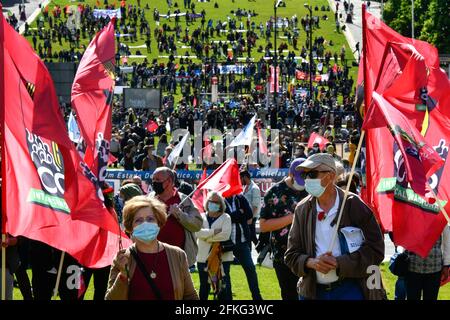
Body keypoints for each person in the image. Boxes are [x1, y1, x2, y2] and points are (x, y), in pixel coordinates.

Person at [284, 153, 386, 300]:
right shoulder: (302, 209)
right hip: (313, 291)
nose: (307, 179)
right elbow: (291, 255)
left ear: (331, 176)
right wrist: (311, 262)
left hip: (350, 289)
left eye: (312, 173)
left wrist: (339, 263)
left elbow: (376, 250)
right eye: (305, 174)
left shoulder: (353, 204)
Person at [105, 196, 199, 300]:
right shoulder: (122, 259)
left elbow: (190, 296)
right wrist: (122, 275)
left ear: (159, 222)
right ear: (131, 227)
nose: (145, 224)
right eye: (138, 220)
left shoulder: (178, 255)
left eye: (150, 219)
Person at [259, 158, 309, 300]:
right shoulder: (274, 192)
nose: (303, 183)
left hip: (308, 254)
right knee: (289, 295)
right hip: (283, 256)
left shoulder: (311, 190)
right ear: (291, 174)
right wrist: (292, 217)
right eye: (300, 179)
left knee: (309, 294)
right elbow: (263, 226)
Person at [149, 167, 203, 267]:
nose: (154, 182)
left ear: (169, 181)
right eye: (153, 179)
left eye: (157, 180)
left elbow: (197, 225)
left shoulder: (184, 200)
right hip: (152, 256)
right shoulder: (148, 200)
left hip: (179, 259)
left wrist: (179, 214)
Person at [224, 193, 263, 300]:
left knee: (250, 268)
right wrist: (239, 214)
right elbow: (222, 218)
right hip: (225, 243)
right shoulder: (220, 199)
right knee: (225, 273)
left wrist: (231, 216)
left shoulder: (240, 198)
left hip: (242, 242)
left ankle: (257, 297)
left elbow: (249, 215)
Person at [196, 192, 233, 300]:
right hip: (203, 258)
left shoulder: (226, 217)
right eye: (211, 201)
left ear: (221, 204)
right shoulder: (201, 216)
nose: (214, 204)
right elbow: (197, 232)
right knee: (204, 287)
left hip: (222, 259)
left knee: (221, 287)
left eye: (217, 202)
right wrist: (213, 231)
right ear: (207, 202)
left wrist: (207, 238)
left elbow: (225, 235)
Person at [404, 225, 450, 300]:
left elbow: (447, 240)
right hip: (414, 266)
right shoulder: (413, 214)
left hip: (434, 268)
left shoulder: (441, 214)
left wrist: (446, 265)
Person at [240, 170, 261, 248]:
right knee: (249, 237)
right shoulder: (245, 187)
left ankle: (262, 252)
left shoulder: (254, 188)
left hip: (251, 217)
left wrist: (250, 218)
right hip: (246, 217)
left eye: (241, 178)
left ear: (245, 177)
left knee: (251, 237)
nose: (240, 180)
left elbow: (255, 206)